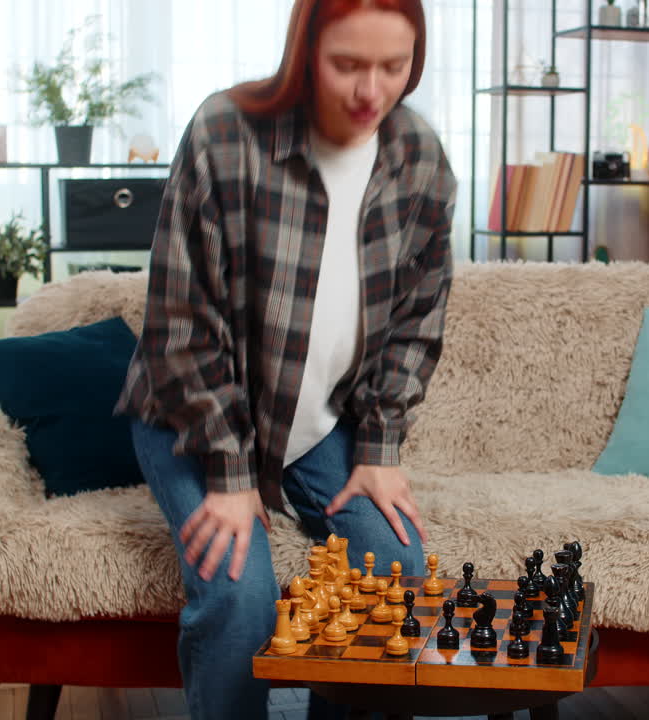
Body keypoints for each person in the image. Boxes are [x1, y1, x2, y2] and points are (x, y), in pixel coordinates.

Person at [114, 1, 455, 718]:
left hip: (317, 421)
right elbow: (180, 324)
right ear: (305, 52)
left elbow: (418, 322)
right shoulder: (224, 131)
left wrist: (379, 447)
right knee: (241, 596)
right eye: (347, 65)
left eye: (393, 67)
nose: (371, 91)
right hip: (191, 418)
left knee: (393, 571)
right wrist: (231, 474)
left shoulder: (420, 159)